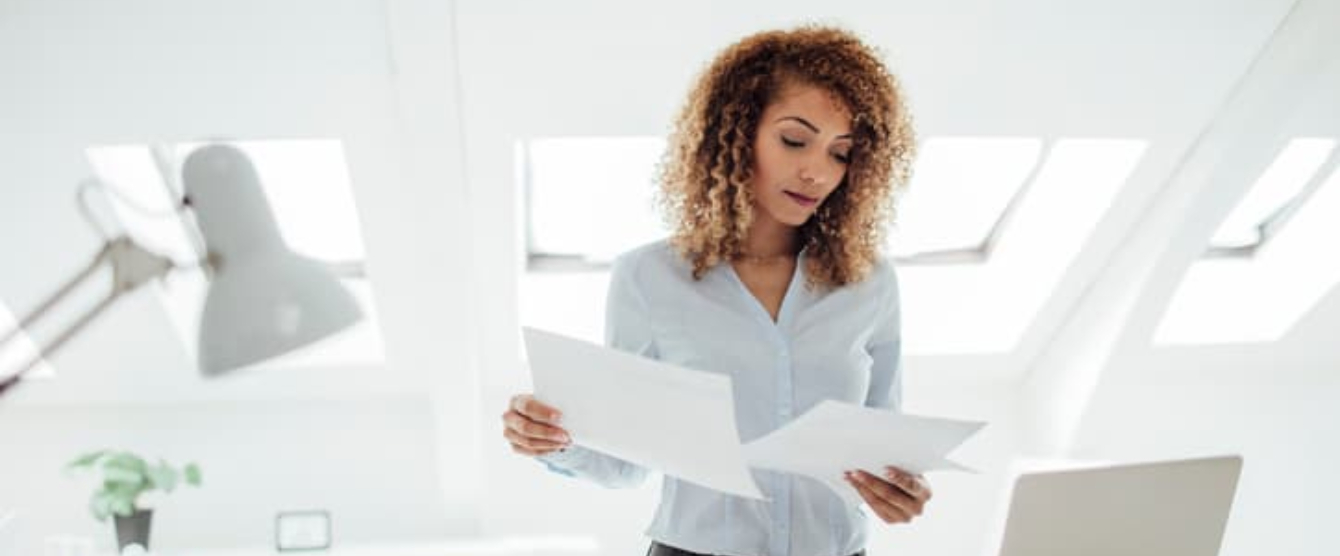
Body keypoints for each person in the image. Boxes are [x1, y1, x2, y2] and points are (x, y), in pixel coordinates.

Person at [503, 25, 926, 556]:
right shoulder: (649, 278)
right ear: (738, 130)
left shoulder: (871, 285)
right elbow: (624, 462)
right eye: (795, 140)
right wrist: (553, 438)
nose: (817, 171)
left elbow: (886, 443)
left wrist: (902, 489)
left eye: (841, 153)